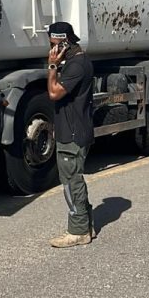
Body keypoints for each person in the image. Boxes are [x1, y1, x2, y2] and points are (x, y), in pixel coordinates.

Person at [45, 21, 96, 248]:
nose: (51, 47)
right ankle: (86, 224)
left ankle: (78, 231)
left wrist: (52, 66)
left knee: (71, 181)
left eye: (53, 43)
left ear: (63, 42)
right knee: (74, 179)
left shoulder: (76, 65)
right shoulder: (76, 61)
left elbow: (54, 93)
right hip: (72, 128)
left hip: (73, 134)